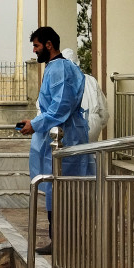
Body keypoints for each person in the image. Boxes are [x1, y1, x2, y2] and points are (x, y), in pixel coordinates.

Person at [19, 27, 91, 255]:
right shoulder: (57, 67)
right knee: (60, 188)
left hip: (64, 135)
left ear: (49, 45)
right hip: (62, 133)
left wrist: (36, 124)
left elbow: (61, 106)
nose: (34, 50)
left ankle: (62, 241)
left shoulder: (60, 69)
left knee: (61, 188)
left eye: (37, 46)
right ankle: (63, 240)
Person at [62, 49, 109, 143]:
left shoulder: (60, 82)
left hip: (71, 125)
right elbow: (103, 110)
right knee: (91, 151)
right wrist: (99, 124)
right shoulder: (91, 80)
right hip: (93, 124)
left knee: (72, 151)